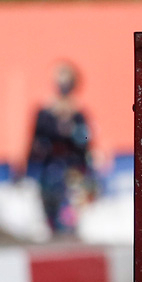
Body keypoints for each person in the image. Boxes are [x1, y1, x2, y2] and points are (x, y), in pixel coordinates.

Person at [24, 62, 94, 237]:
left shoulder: (78, 114)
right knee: (50, 217)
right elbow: (34, 141)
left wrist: (72, 130)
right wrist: (27, 169)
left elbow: (86, 142)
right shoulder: (45, 112)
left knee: (69, 219)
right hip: (49, 171)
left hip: (72, 172)